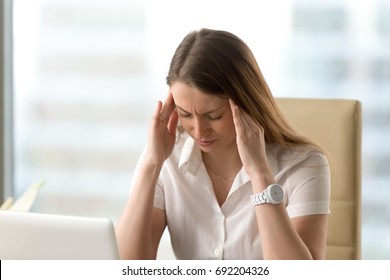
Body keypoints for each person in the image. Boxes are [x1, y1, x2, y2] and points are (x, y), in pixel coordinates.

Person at [115, 28, 331, 260]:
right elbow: (126, 266)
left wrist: (260, 174)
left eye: (214, 115)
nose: (199, 131)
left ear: (246, 103)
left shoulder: (304, 166)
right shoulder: (165, 157)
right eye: (185, 114)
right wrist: (151, 165)